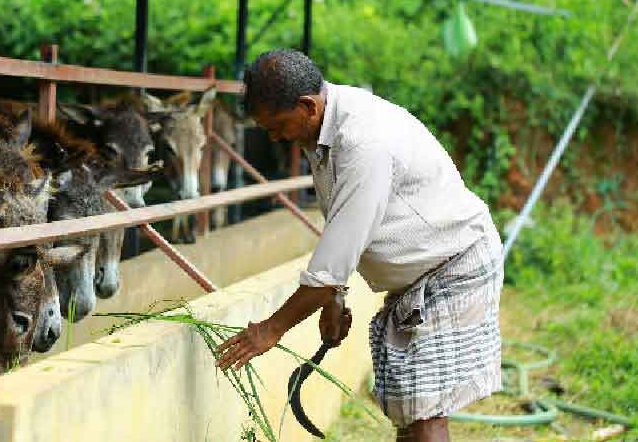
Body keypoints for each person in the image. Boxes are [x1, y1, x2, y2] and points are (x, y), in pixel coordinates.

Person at [215, 49, 504, 442]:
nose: (275, 137)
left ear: (307, 106)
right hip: (423, 275)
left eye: (278, 125)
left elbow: (335, 256)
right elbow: (345, 229)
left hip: (453, 266)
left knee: (423, 411)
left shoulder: (363, 140)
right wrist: (333, 298)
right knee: (410, 406)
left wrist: (270, 329)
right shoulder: (322, 132)